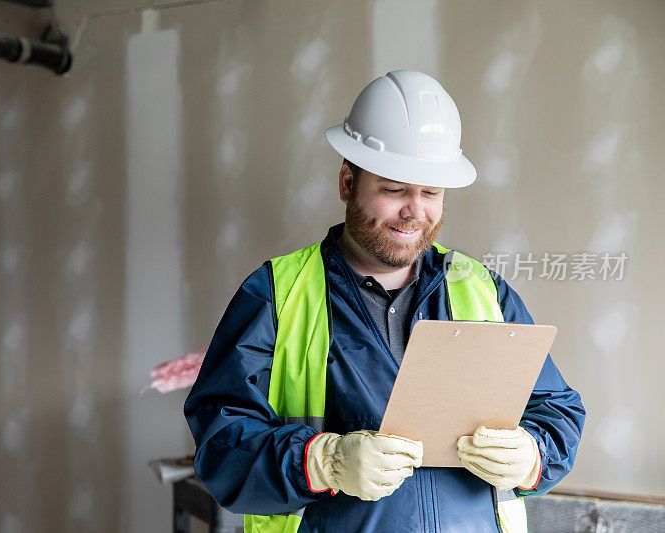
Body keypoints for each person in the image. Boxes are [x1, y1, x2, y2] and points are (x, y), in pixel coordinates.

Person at [184, 70, 585, 533]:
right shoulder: (277, 292)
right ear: (348, 183)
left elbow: (556, 408)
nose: (415, 211)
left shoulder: (480, 288)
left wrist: (532, 453)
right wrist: (322, 462)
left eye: (431, 192)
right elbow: (220, 439)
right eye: (395, 190)